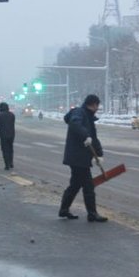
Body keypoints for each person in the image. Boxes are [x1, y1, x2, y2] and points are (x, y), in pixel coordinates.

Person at [58, 94, 107, 222]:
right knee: (88, 186)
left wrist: (99, 154)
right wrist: (86, 136)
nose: (97, 108)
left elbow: (93, 138)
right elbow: (75, 124)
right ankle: (92, 214)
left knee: (75, 185)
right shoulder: (79, 112)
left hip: (80, 157)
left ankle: (64, 209)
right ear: (94, 104)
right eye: (97, 106)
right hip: (78, 157)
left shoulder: (88, 117)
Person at [0, 101, 16, 170]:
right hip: (11, 134)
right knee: (10, 148)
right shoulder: (12, 115)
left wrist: (1, 125)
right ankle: (11, 162)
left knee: (5, 149)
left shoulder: (0, 115)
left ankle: (7, 165)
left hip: (3, 134)